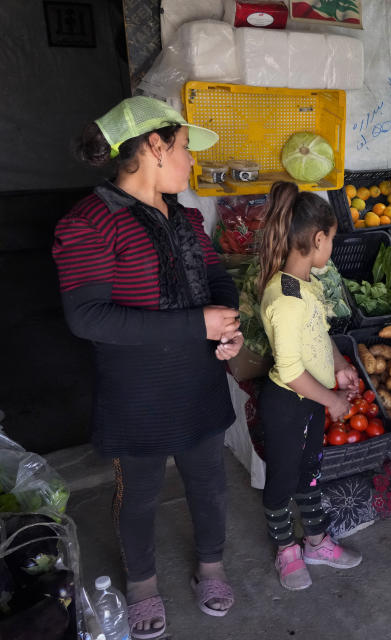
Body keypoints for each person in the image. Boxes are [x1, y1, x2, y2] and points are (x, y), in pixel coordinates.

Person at [52, 96, 241, 638]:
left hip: (199, 381)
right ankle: (141, 584)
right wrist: (196, 325)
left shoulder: (182, 216)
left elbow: (215, 275)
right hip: (138, 393)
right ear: (155, 147)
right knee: (139, 493)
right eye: (185, 148)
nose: (191, 161)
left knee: (209, 482)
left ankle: (212, 566)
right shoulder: (89, 222)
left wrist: (228, 324)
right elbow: (88, 317)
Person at [256, 181, 363, 590]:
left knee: (310, 472)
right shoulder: (283, 299)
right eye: (332, 240)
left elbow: (318, 336)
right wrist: (332, 401)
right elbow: (289, 370)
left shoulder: (304, 287)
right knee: (282, 479)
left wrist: (337, 366)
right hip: (288, 404)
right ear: (317, 239)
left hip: (311, 402)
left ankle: (316, 542)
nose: (331, 247)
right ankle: (287, 550)